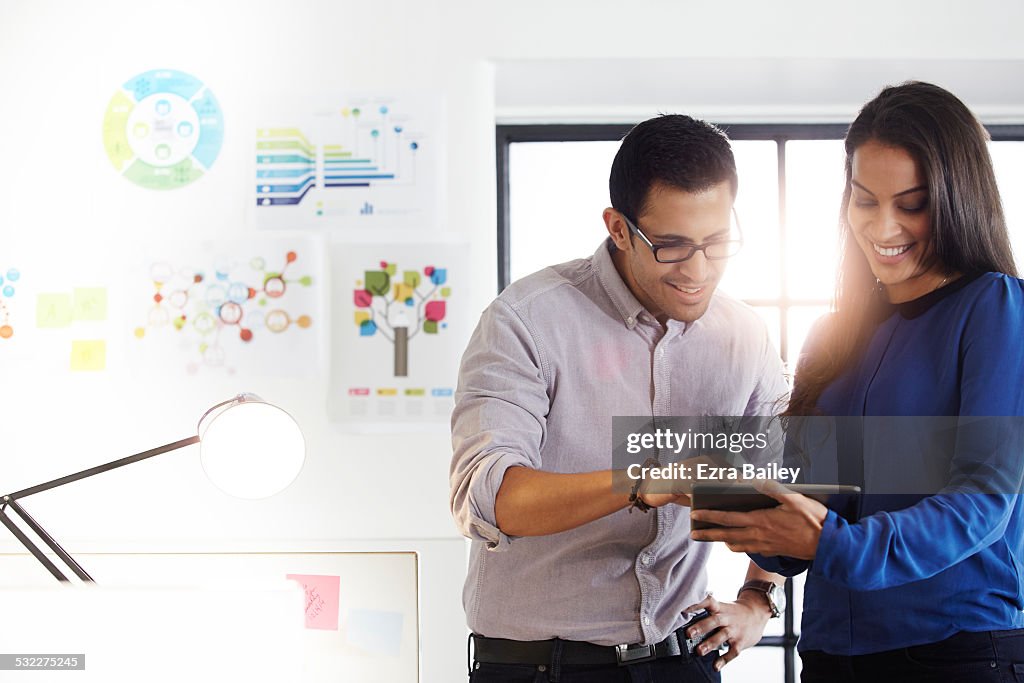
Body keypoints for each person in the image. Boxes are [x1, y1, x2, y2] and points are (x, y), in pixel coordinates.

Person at [689, 81, 1024, 682]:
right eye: (866, 200)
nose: (883, 226)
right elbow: (816, 513)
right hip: (830, 657)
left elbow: (982, 501)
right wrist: (730, 498)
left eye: (911, 203)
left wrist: (834, 544)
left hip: (956, 653)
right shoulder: (834, 337)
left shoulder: (994, 307)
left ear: (958, 199)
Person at [450, 114, 790, 682]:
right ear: (619, 228)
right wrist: (645, 480)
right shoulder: (526, 321)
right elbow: (486, 495)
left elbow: (785, 476)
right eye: (672, 246)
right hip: (542, 667)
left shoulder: (745, 337)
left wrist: (758, 596)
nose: (698, 271)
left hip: (684, 661)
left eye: (717, 243)